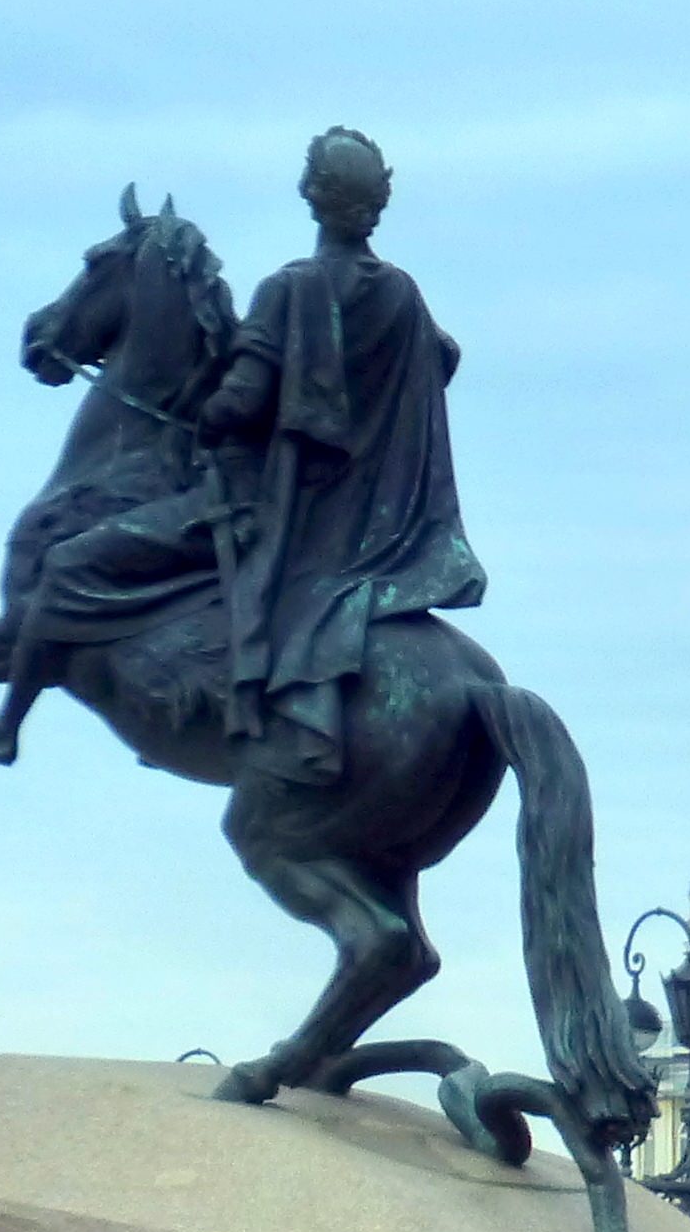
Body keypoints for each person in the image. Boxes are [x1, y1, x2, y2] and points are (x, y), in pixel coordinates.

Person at [196, 126, 486, 784]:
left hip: (314, 529)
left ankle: (236, 707)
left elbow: (242, 402)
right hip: (395, 534)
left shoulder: (290, 290)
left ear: (312, 195)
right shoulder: (404, 294)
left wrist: (199, 415)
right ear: (375, 201)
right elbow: (446, 357)